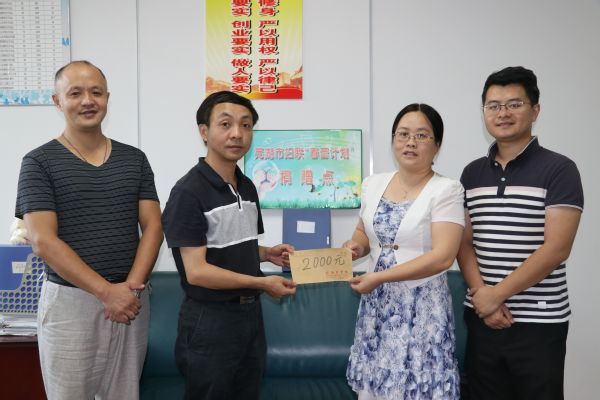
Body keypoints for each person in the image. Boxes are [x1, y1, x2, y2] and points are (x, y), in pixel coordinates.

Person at [15, 60, 163, 399]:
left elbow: (154, 226)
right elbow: (43, 241)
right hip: (71, 303)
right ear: (58, 101)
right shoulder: (38, 162)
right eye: (75, 93)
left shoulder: (134, 159)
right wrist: (106, 292)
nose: (87, 101)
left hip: (131, 299)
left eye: (96, 92)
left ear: (107, 98)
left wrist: (130, 290)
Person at [457, 66, 583, 400]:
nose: (503, 113)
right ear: (484, 112)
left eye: (514, 104)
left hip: (540, 320)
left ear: (535, 110)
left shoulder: (560, 169)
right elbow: (464, 243)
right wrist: (483, 297)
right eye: (493, 105)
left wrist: (496, 295)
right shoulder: (472, 173)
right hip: (481, 318)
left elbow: (557, 249)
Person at [161, 91, 297, 400]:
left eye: (246, 125)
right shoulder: (188, 192)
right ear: (204, 131)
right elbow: (197, 271)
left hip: (249, 316)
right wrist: (261, 283)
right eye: (226, 124)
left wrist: (267, 253)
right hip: (210, 319)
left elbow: (233, 246)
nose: (237, 133)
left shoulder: (247, 186)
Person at [343, 103, 465, 399]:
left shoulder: (447, 190)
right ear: (393, 139)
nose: (411, 142)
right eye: (403, 134)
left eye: (422, 135)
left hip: (421, 306)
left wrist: (380, 278)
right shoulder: (372, 184)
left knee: (416, 388)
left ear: (437, 145)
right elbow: (363, 233)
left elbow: (443, 257)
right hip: (376, 305)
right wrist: (354, 247)